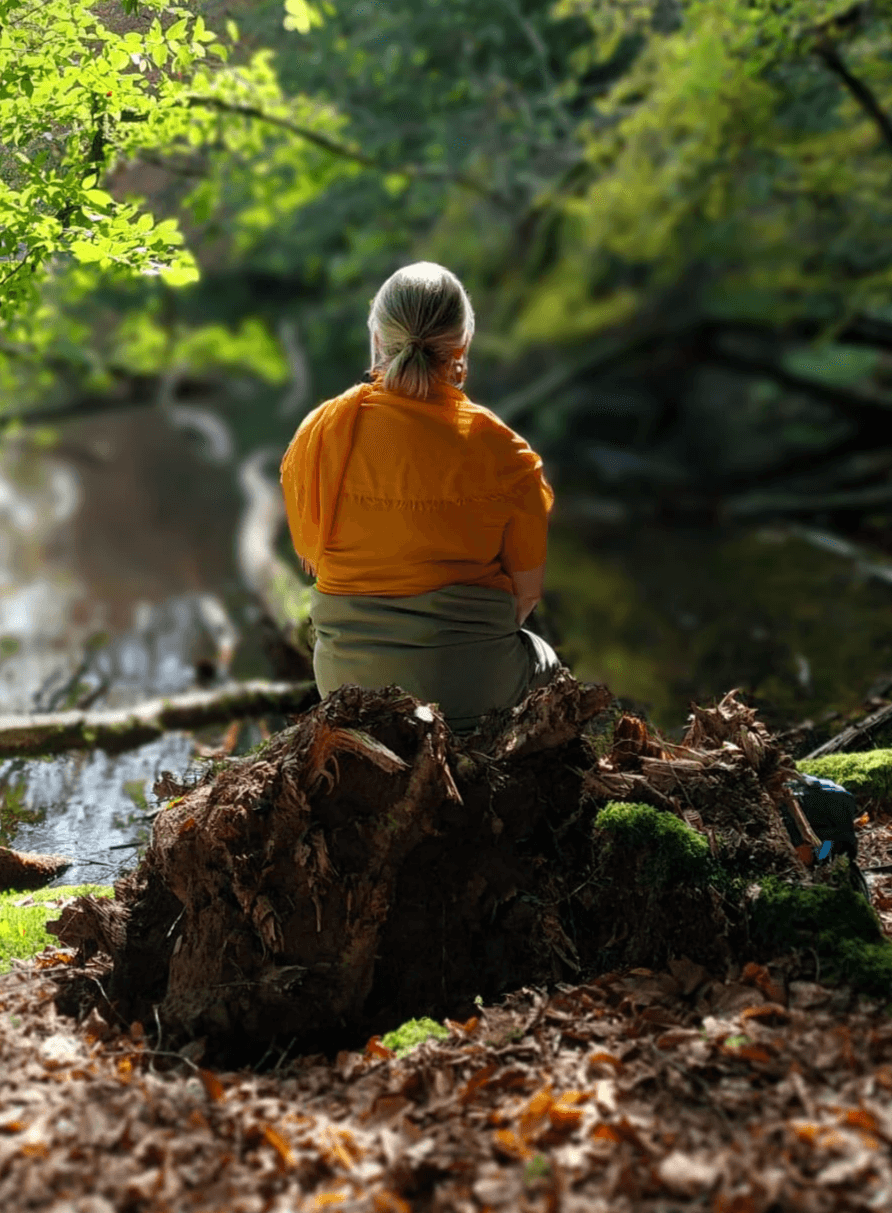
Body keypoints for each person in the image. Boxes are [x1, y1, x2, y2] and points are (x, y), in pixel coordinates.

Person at [279, 260, 565, 735]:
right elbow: (525, 596)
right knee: (546, 661)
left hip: (349, 691)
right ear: (463, 345)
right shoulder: (504, 451)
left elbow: (316, 559)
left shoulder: (318, 436)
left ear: (377, 340)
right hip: (473, 693)